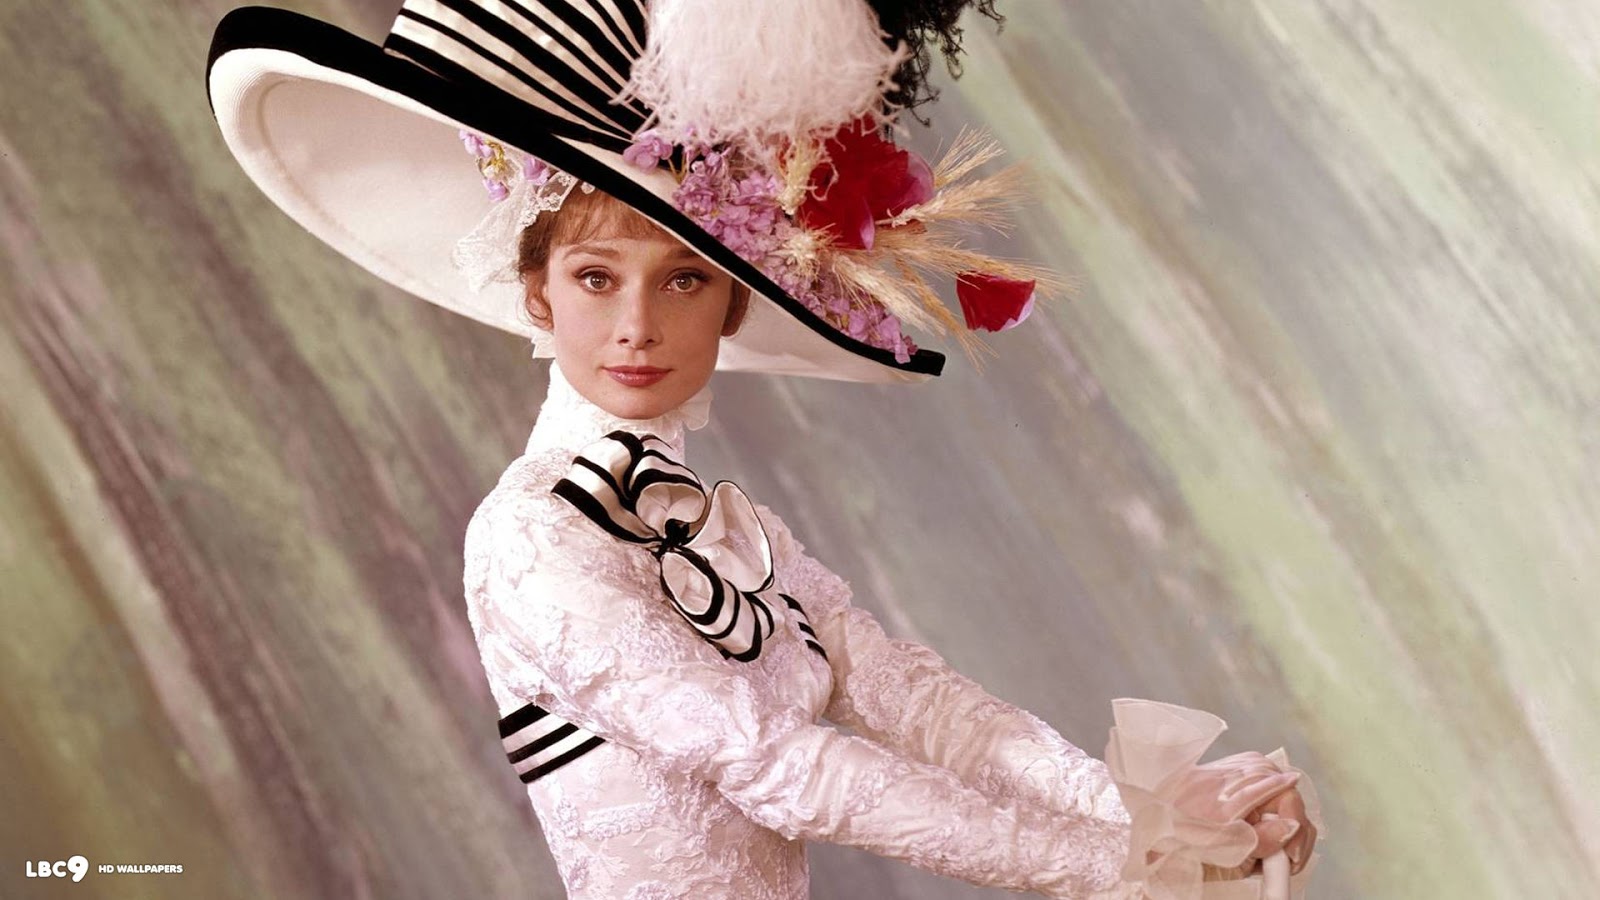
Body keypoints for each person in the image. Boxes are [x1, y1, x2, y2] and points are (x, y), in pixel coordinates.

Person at [206, 1, 1320, 897]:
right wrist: (1113, 867)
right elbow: (777, 764)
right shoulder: (528, 539)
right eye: (595, 278)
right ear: (536, 293)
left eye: (683, 280)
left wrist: (1141, 814)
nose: (637, 327)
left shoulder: (733, 527)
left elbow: (919, 703)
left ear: (732, 305)